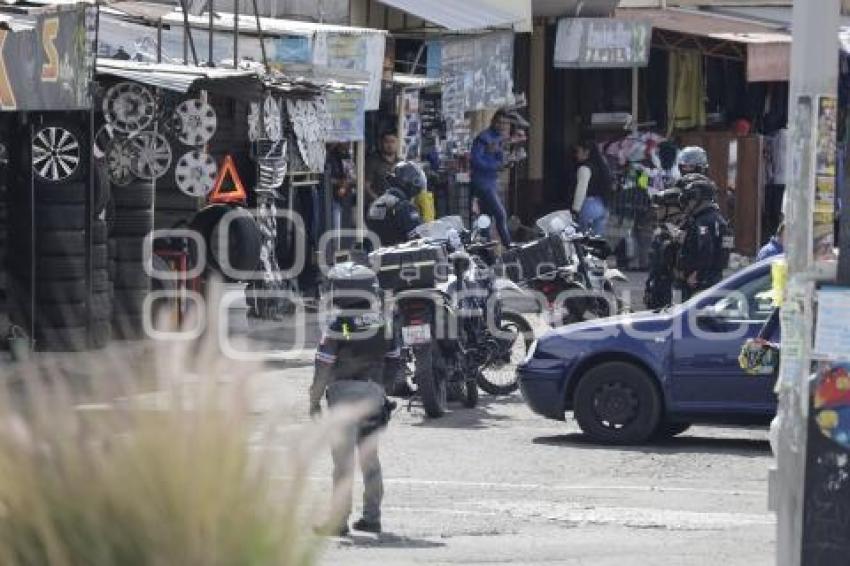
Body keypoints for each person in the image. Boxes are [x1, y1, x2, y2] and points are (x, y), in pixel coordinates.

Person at [311, 262, 401, 537]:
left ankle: (338, 522)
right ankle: (372, 517)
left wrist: (314, 399)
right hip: (374, 395)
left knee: (343, 464)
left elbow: (324, 365)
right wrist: (381, 390)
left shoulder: (337, 325)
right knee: (370, 460)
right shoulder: (383, 323)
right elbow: (395, 362)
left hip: (343, 398)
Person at [676, 175, 732, 300]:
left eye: (691, 200)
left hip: (700, 282)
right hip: (714, 278)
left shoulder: (703, 221)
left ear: (701, 200)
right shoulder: (719, 219)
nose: (689, 205)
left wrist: (698, 275)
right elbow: (725, 252)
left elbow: (706, 249)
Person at [471, 109, 512, 246]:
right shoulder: (483, 138)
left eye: (505, 123)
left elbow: (498, 159)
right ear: (493, 122)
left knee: (486, 218)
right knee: (501, 214)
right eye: (500, 122)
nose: (502, 126)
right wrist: (496, 166)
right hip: (483, 183)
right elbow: (476, 160)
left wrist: (507, 162)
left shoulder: (499, 138)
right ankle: (509, 245)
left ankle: (485, 250)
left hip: (492, 181)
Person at [366, 161, 424, 247]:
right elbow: (418, 236)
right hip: (399, 255)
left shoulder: (376, 203)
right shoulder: (404, 206)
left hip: (377, 255)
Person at [571, 139, 614, 237]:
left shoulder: (584, 168)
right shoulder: (602, 168)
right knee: (596, 241)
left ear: (586, 152)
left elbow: (581, 190)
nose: (576, 155)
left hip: (588, 206)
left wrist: (575, 210)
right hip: (603, 206)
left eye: (578, 151)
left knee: (580, 239)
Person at [365, 131, 400, 203]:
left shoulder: (401, 163)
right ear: (381, 143)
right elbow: (366, 186)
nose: (390, 145)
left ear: (397, 144)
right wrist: (379, 200)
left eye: (393, 142)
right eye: (387, 142)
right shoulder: (373, 162)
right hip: (377, 206)